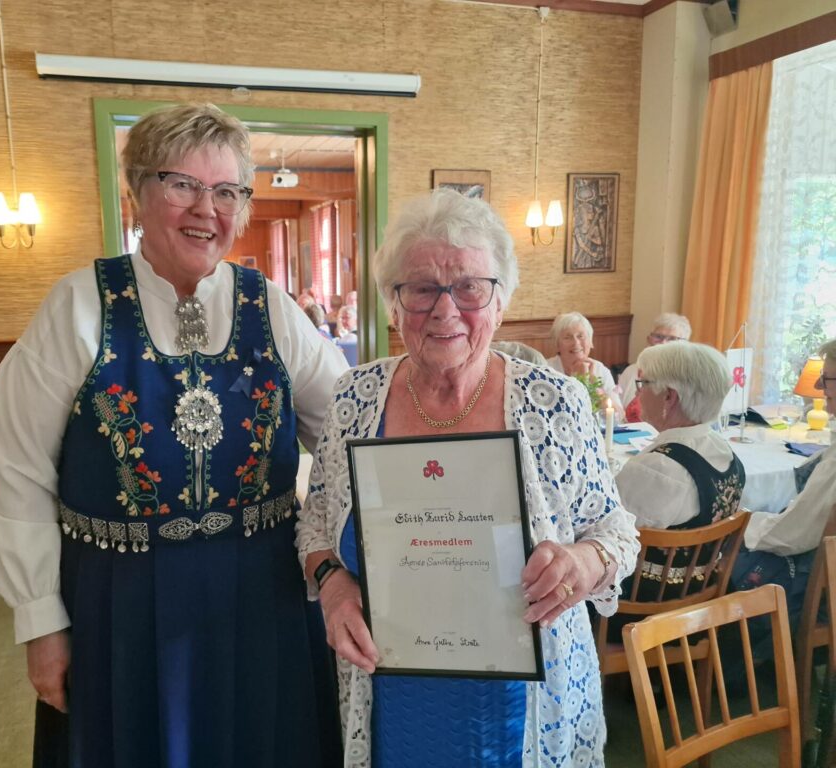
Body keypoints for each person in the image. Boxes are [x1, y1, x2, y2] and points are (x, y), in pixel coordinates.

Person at [0, 102, 346, 767]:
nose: (208, 209)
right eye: (183, 185)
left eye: (228, 191)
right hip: (121, 607)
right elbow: (17, 471)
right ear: (138, 193)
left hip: (264, 598)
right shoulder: (78, 307)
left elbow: (348, 432)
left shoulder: (273, 310)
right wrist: (40, 620)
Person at [295, 189, 639, 766]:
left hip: (526, 700)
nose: (445, 310)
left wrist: (583, 563)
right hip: (391, 693)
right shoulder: (355, 397)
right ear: (393, 303)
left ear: (501, 301)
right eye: (423, 288)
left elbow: (617, 532)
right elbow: (317, 522)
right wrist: (331, 583)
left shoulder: (554, 404)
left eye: (470, 287)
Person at [730, 338, 836, 656]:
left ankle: (713, 670)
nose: (818, 384)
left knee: (719, 558)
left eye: (827, 377)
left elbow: (791, 536)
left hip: (821, 594)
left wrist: (742, 524)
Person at [614, 341, 744, 529]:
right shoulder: (724, 450)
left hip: (644, 559)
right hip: (714, 558)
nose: (637, 392)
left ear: (669, 397)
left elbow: (607, 530)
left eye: (643, 384)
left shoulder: (658, 468)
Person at [617, 313, 692, 422]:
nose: (663, 343)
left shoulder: (689, 376)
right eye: (658, 337)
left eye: (672, 339)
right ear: (648, 339)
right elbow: (618, 416)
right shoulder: (631, 371)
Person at [547, 311, 625, 415]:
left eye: (580, 336)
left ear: (591, 342)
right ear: (557, 345)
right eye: (567, 337)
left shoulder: (600, 370)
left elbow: (619, 416)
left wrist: (593, 384)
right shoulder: (546, 370)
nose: (576, 343)